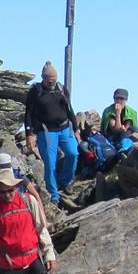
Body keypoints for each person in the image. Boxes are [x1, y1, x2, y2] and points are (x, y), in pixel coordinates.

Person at [24, 61, 79, 205]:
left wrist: (77, 129)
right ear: (43, 78)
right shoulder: (36, 91)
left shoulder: (61, 88)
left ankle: (66, 181)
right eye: (49, 81)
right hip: (47, 131)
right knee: (50, 163)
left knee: (73, 153)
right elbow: (28, 113)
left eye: (54, 81)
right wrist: (29, 134)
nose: (52, 84)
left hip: (65, 128)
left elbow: (69, 109)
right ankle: (54, 195)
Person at [100, 89, 138, 155]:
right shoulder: (108, 111)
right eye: (116, 98)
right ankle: (122, 150)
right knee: (122, 135)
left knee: (129, 132)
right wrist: (117, 113)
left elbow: (128, 128)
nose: (118, 101)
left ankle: (123, 149)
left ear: (126, 100)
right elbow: (115, 130)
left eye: (121, 99)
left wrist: (124, 129)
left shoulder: (131, 112)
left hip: (125, 136)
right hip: (111, 137)